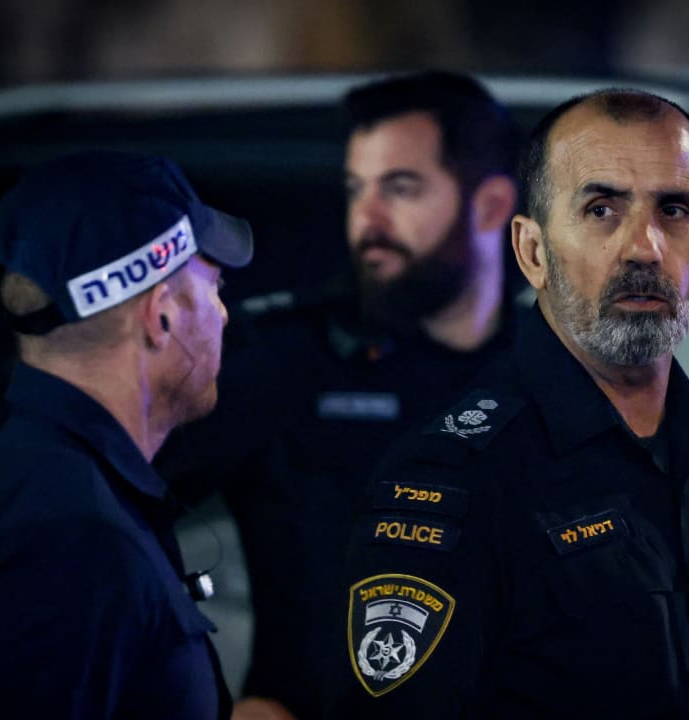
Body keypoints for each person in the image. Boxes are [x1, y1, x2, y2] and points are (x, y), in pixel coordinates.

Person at [328, 89, 689, 717]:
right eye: (601, 209)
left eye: (673, 209)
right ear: (532, 252)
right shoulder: (457, 481)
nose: (645, 247)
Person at [154, 70, 521, 720]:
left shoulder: (559, 371)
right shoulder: (290, 359)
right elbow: (119, 502)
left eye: (401, 188)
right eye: (357, 189)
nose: (366, 220)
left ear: (491, 206)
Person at [0, 149, 253, 719]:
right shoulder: (76, 542)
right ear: (161, 317)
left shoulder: (18, 481)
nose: (223, 314)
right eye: (214, 286)